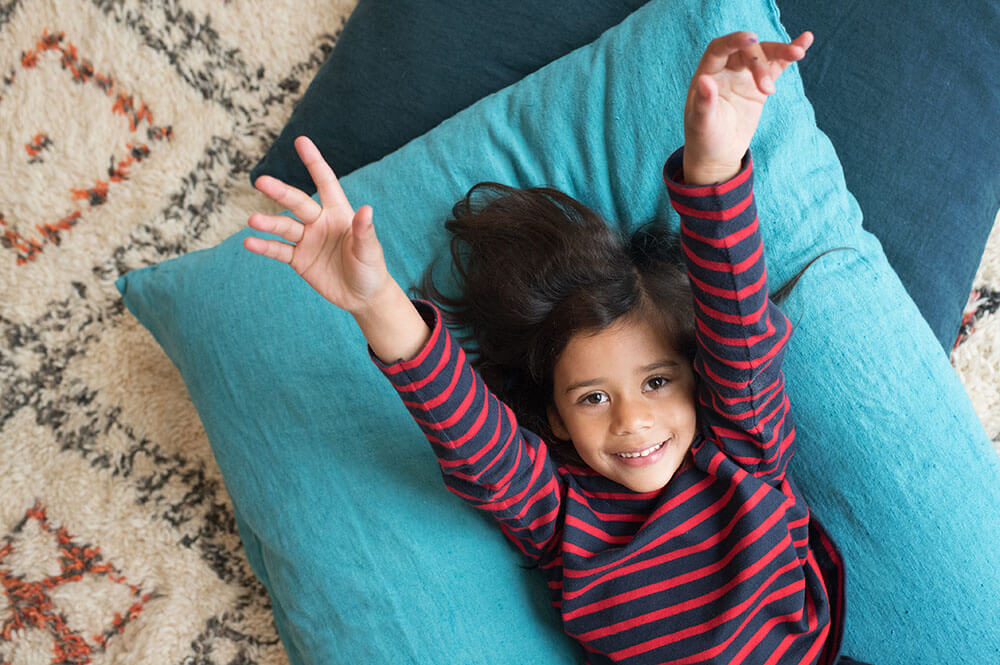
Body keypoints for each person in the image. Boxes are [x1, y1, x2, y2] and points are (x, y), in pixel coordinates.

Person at [243, 30, 865, 665]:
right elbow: (477, 441)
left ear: (697, 379)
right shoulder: (560, 514)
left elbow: (740, 328)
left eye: (656, 382)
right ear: (557, 422)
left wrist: (712, 166)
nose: (631, 420)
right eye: (593, 397)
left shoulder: (741, 447)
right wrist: (376, 303)